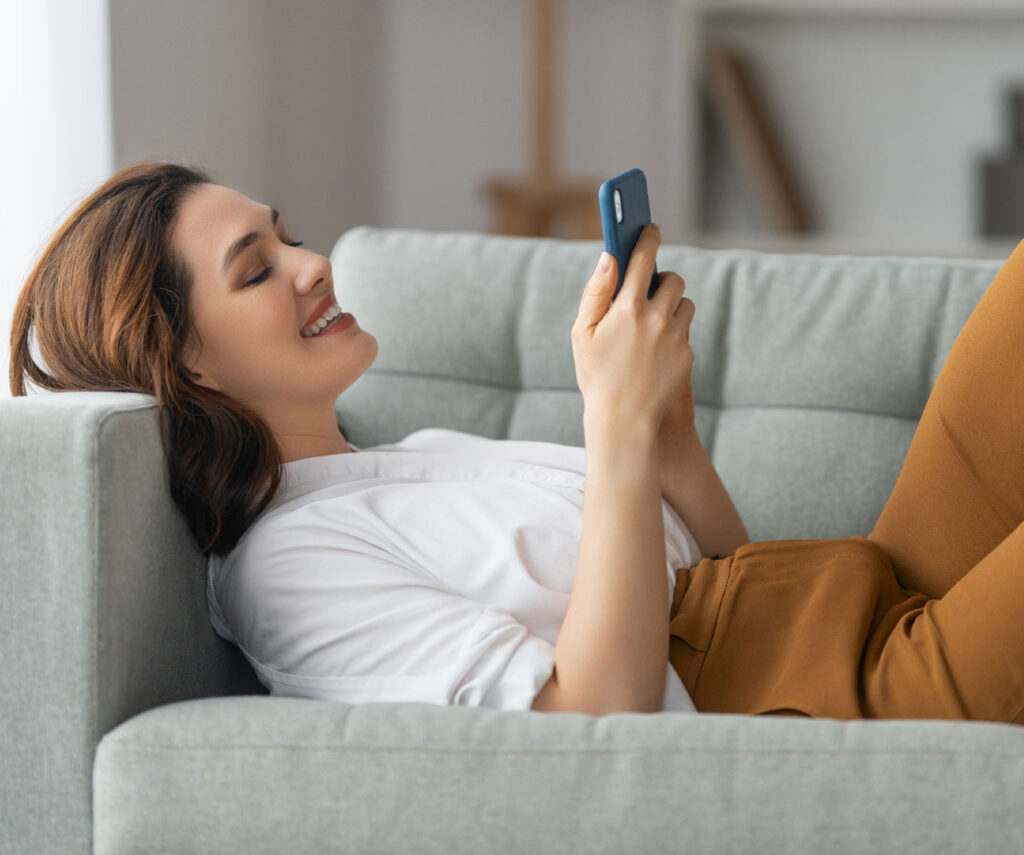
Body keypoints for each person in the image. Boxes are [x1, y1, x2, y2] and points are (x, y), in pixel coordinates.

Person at [9, 161, 1024, 722]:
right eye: (256, 269)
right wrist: (613, 429)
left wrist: (665, 436)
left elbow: (720, 571)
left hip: (857, 591)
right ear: (187, 362)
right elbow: (595, 723)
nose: (312, 265)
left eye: (288, 235)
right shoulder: (287, 568)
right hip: (850, 699)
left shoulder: (416, 452)